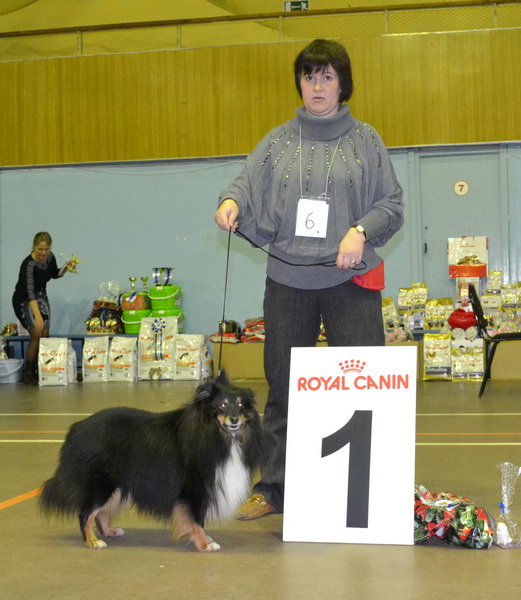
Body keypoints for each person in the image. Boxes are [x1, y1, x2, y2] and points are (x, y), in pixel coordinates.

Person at [214, 39, 404, 519]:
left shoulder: (367, 141)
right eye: (309, 77)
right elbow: (244, 183)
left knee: (364, 386)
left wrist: (361, 230)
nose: (317, 86)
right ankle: (274, 488)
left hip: (350, 282)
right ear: (299, 83)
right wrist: (231, 202)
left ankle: (371, 490)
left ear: (343, 84)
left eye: (327, 77)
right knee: (283, 390)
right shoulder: (276, 141)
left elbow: (391, 204)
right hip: (288, 281)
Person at [12, 232, 74, 384]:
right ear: (34, 247)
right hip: (24, 299)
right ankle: (28, 373)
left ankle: (44, 370)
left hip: (41, 296)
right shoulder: (28, 265)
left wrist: (67, 267)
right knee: (37, 334)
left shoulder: (50, 257)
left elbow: (54, 274)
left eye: (46, 249)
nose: (43, 253)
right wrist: (38, 315)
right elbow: (29, 292)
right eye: (40, 249)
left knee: (45, 334)